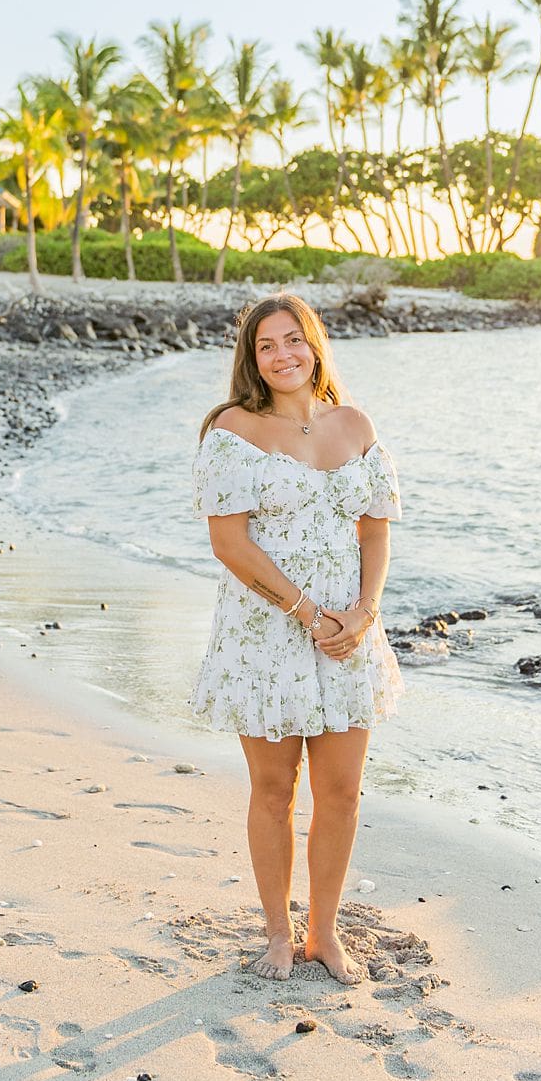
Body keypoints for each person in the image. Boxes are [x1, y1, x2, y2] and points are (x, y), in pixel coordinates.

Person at [190, 292, 403, 984]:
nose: (282, 355)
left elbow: (375, 530)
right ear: (251, 359)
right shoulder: (233, 429)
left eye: (293, 340)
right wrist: (308, 613)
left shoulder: (355, 425)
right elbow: (230, 544)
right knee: (274, 789)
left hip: (347, 632)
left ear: (315, 344)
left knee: (341, 792)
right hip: (268, 632)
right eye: (266, 346)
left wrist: (363, 614)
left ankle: (324, 932)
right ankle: (279, 934)